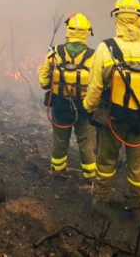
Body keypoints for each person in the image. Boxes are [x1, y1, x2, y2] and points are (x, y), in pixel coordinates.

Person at [83, 0, 140, 213]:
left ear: (117, 18)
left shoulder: (106, 49)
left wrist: (88, 108)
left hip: (113, 119)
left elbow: (95, 88)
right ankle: (137, 204)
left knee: (105, 164)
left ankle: (101, 202)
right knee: (138, 168)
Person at [37, 13, 97, 180]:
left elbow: (43, 81)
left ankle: (57, 171)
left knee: (60, 140)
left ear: (68, 31)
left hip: (60, 107)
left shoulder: (55, 52)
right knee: (86, 142)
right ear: (87, 32)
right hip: (85, 109)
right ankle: (90, 178)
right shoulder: (95, 56)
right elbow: (99, 85)